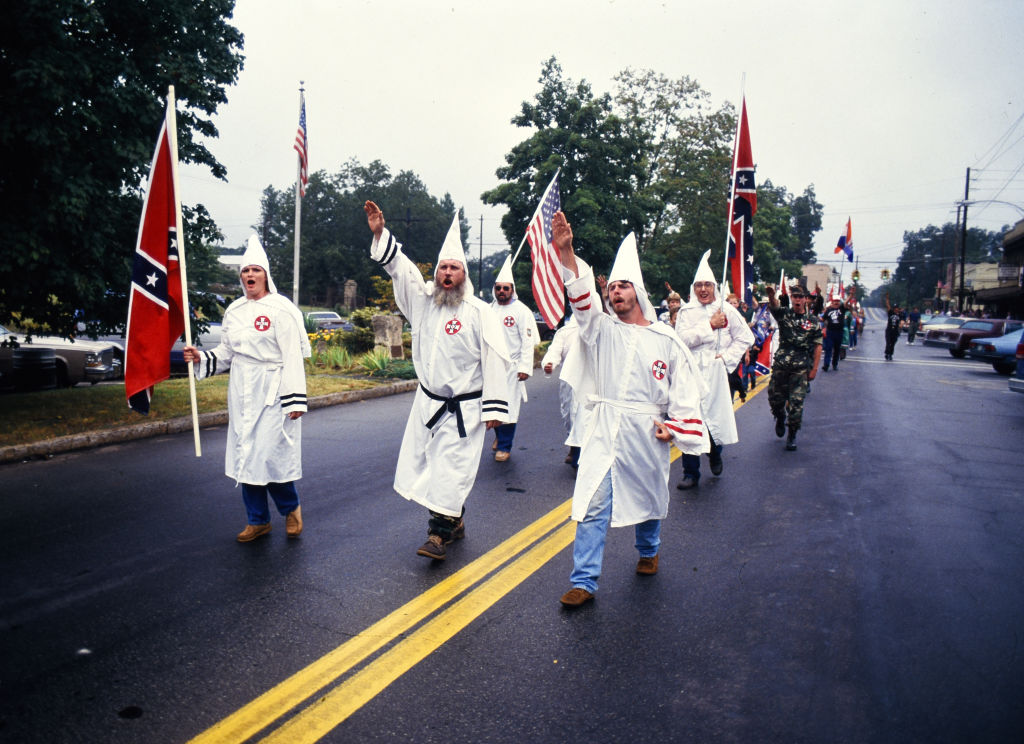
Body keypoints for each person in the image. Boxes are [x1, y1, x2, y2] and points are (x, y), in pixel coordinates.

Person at [551, 212, 707, 608]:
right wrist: (567, 253)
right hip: (604, 427)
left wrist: (674, 428)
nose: (615, 293)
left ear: (637, 291)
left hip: (646, 428)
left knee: (647, 496)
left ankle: (648, 549)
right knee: (592, 503)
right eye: (612, 288)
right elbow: (581, 301)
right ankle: (584, 581)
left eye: (623, 287)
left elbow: (684, 390)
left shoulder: (666, 340)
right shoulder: (600, 328)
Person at [363, 201, 511, 561]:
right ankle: (454, 519)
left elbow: (495, 359)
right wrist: (381, 234)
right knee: (429, 464)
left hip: (466, 406)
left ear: (464, 274)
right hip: (429, 403)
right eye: (443, 267)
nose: (447, 273)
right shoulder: (424, 304)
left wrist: (495, 407)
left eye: (454, 268)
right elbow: (404, 271)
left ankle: (437, 536)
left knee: (451, 468)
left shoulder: (479, 313)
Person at [182, 236, 311, 542]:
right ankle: (257, 520)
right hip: (242, 389)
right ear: (240, 277)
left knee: (267, 455)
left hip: (274, 388)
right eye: (245, 271)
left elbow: (292, 355)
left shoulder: (282, 309)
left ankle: (290, 509)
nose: (250, 276)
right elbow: (227, 354)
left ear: (266, 275)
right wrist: (201, 357)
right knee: (246, 454)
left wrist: (295, 400)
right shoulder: (235, 311)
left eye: (255, 270)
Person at [673, 252, 754, 490]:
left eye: (708, 284)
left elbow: (744, 337)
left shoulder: (726, 310)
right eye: (699, 285)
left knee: (714, 420)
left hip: (718, 374)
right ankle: (691, 472)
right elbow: (681, 340)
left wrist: (726, 359)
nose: (703, 289)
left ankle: (715, 452)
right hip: (691, 374)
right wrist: (708, 325)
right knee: (690, 421)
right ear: (693, 288)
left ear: (714, 287)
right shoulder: (686, 313)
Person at [489, 257, 539, 461]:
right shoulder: (489, 309)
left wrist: (525, 367)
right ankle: (499, 436)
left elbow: (527, 342)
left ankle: (505, 446)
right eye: (498, 288)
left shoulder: (521, 311)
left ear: (512, 290)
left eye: (506, 288)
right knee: (491, 404)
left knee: (508, 406)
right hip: (491, 366)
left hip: (511, 366)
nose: (502, 291)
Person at [765, 283, 822, 451]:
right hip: (782, 365)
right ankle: (780, 416)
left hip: (800, 368)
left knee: (797, 404)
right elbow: (774, 307)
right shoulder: (785, 314)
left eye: (800, 297)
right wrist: (770, 296)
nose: (797, 300)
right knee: (775, 399)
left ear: (805, 299)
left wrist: (814, 369)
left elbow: (818, 345)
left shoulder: (812, 321)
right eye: (795, 297)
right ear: (791, 298)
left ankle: (792, 434)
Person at [540, 314, 581, 467]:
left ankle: (581, 457)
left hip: (593, 383)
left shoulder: (602, 328)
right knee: (570, 416)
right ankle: (573, 446)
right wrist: (549, 363)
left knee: (587, 418)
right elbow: (554, 351)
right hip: (570, 381)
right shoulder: (565, 332)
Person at [820, 295, 845, 371]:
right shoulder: (828, 310)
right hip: (830, 332)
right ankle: (826, 365)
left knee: (837, 349)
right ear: (832, 301)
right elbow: (823, 319)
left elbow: (846, 303)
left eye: (838, 301)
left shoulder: (842, 309)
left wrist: (850, 295)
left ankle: (834, 364)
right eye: (835, 301)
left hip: (839, 332)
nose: (836, 302)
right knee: (828, 348)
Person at [884, 294, 901, 360]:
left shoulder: (900, 314)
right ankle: (887, 353)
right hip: (889, 330)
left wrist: (901, 324)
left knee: (893, 343)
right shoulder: (891, 313)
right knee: (888, 343)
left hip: (895, 331)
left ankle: (890, 354)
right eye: (895, 308)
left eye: (897, 308)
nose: (896, 309)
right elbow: (888, 306)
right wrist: (887, 299)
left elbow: (902, 321)